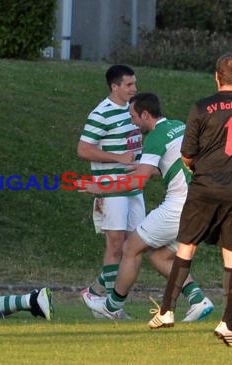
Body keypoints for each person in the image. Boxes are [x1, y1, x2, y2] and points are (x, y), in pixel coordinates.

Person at [148, 53, 232, 347]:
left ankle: (167, 311)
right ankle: (228, 324)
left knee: (187, 247)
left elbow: (187, 155)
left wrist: (196, 167)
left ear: (216, 77)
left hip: (205, 188)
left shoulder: (201, 107)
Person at [83, 93, 213, 321]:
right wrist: (142, 167)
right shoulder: (178, 126)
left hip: (180, 205)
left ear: (145, 115)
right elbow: (166, 165)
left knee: (130, 248)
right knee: (160, 257)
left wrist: (102, 187)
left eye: (133, 116)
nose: (132, 121)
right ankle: (197, 299)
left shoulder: (154, 137)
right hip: (203, 205)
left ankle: (112, 306)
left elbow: (138, 182)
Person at [77, 64, 145, 315]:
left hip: (134, 186)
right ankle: (109, 306)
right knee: (116, 245)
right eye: (128, 85)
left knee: (136, 245)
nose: (134, 89)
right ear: (114, 87)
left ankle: (96, 294)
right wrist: (118, 159)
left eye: (134, 84)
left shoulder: (134, 109)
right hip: (111, 186)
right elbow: (83, 149)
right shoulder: (101, 113)